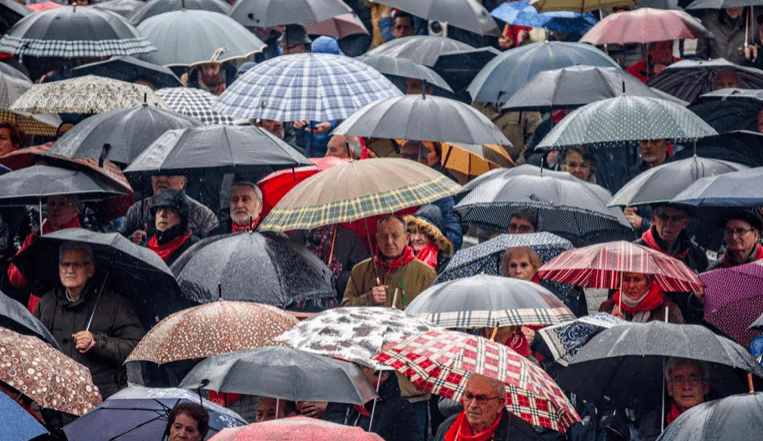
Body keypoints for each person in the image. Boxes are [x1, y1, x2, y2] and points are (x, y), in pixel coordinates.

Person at [34, 242, 144, 398]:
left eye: (77, 265)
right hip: (56, 398)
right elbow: (33, 344)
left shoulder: (114, 304)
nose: (70, 270)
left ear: (90, 269)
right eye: (65, 264)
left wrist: (97, 343)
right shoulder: (46, 303)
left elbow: (135, 345)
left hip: (99, 398)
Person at [7, 195, 100, 310]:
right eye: (52, 204)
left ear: (75, 211)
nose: (55, 208)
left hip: (71, 309)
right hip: (38, 310)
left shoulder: (84, 242)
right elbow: (15, 279)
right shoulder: (35, 238)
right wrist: (31, 251)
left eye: (62, 204)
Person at [343, 215, 436, 309]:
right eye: (384, 237)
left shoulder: (426, 274)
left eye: (395, 236)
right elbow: (345, 308)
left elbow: (432, 310)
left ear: (407, 238)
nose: (389, 242)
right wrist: (367, 299)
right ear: (377, 239)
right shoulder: (360, 270)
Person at [323, 364, 420, 441]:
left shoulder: (399, 407)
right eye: (358, 366)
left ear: (383, 376)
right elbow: (329, 425)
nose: (357, 372)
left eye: (365, 368)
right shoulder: (345, 397)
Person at [433, 373, 542, 441]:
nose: (472, 405)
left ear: (500, 404)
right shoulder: (447, 428)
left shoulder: (522, 435)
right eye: (469, 396)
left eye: (482, 399)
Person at [120, 174, 218, 241]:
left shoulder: (204, 216)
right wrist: (131, 241)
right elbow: (119, 243)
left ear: (182, 182)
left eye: (169, 175)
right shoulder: (137, 210)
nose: (162, 179)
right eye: (157, 174)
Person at [638, 358, 711, 441]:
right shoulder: (651, 424)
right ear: (669, 388)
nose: (686, 387)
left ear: (705, 386)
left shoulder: (722, 419)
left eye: (694, 379)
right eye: (679, 380)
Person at [598, 272, 684, 323]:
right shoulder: (607, 308)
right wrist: (611, 327)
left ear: (649, 282)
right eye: (626, 280)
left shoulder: (668, 310)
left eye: (637, 279)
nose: (631, 285)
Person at [144, 190, 199, 266]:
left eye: (168, 210)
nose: (162, 215)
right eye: (159, 210)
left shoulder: (194, 248)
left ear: (181, 216)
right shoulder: (145, 246)